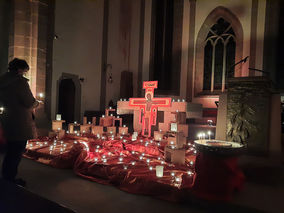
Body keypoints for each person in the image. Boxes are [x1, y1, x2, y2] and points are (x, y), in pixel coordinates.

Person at [0, 58, 40, 186]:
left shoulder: (2, 81)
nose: (24, 74)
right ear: (19, 69)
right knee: (16, 152)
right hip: (20, 121)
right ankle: (10, 180)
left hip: (7, 119)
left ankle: (6, 176)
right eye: (24, 71)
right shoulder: (20, 82)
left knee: (10, 151)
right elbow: (29, 101)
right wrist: (37, 103)